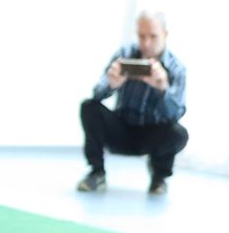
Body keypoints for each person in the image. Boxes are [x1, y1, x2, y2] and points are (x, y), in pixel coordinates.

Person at [77, 10, 188, 196]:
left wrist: (163, 88)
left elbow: (176, 114)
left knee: (178, 133)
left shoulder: (176, 69)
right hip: (121, 130)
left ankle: (159, 178)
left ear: (165, 34)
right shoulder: (124, 55)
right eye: (141, 36)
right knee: (89, 106)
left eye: (153, 36)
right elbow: (97, 94)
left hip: (151, 135)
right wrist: (112, 84)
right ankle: (96, 173)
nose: (146, 43)